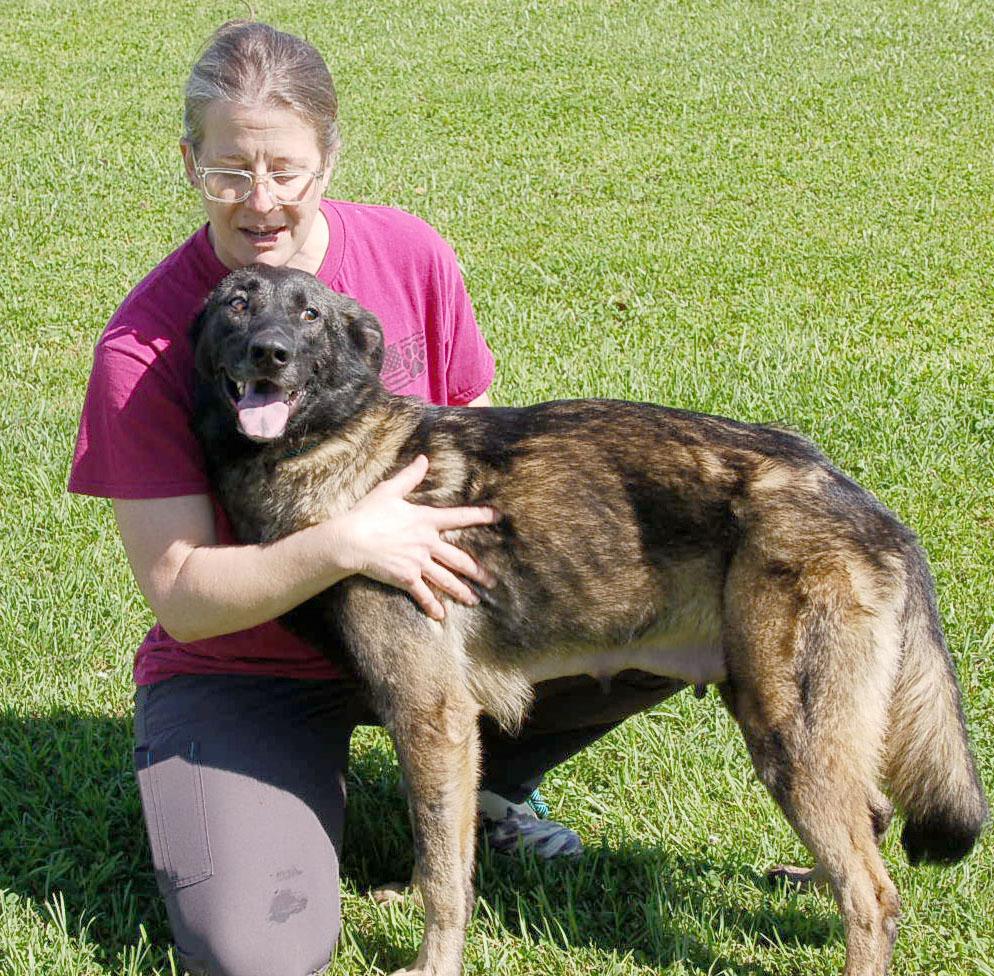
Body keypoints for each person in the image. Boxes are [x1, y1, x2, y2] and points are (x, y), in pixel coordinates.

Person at [69, 20, 682, 976]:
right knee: (252, 954)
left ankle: (483, 786)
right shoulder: (146, 347)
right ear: (189, 162)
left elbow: (488, 447)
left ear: (328, 160)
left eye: (287, 170)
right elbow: (181, 595)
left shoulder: (407, 252)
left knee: (663, 581)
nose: (261, 201)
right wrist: (348, 542)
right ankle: (306, 794)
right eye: (231, 171)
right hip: (247, 669)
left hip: (427, 622)